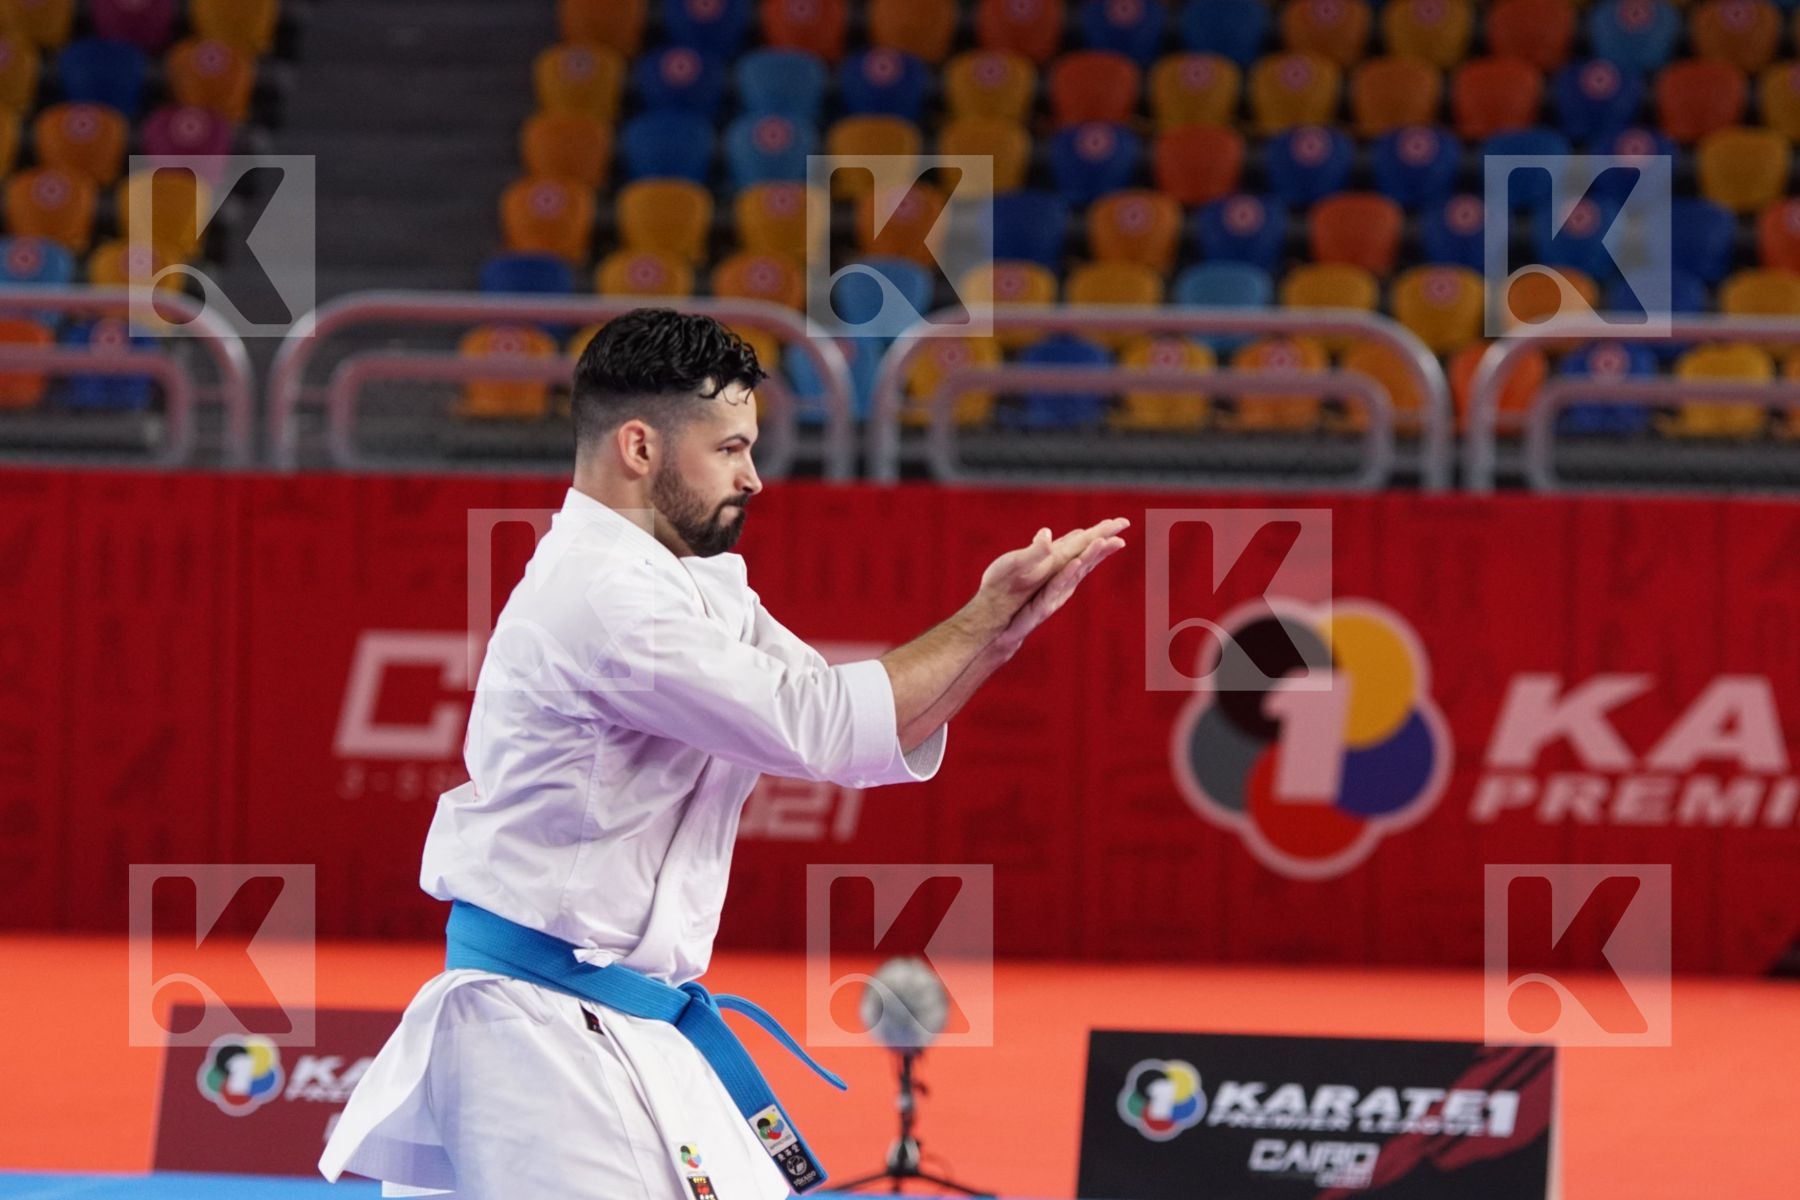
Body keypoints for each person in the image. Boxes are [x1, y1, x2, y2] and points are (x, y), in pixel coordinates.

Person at [320, 309, 1129, 1198]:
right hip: (535, 1030)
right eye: (731, 448)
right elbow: (819, 723)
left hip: (631, 1019)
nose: (754, 476)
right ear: (640, 447)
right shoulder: (600, 598)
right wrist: (979, 623)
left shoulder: (696, 580)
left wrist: (999, 633)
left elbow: (856, 733)